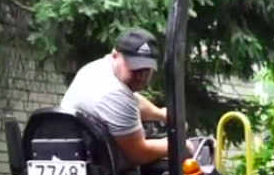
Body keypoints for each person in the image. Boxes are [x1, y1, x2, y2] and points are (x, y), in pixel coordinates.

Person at [60, 27, 186, 167]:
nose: (141, 77)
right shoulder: (114, 93)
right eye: (135, 68)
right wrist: (179, 144)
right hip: (98, 171)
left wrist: (162, 114)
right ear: (115, 55)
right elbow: (139, 153)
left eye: (146, 70)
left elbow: (134, 100)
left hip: (75, 155)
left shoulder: (95, 69)